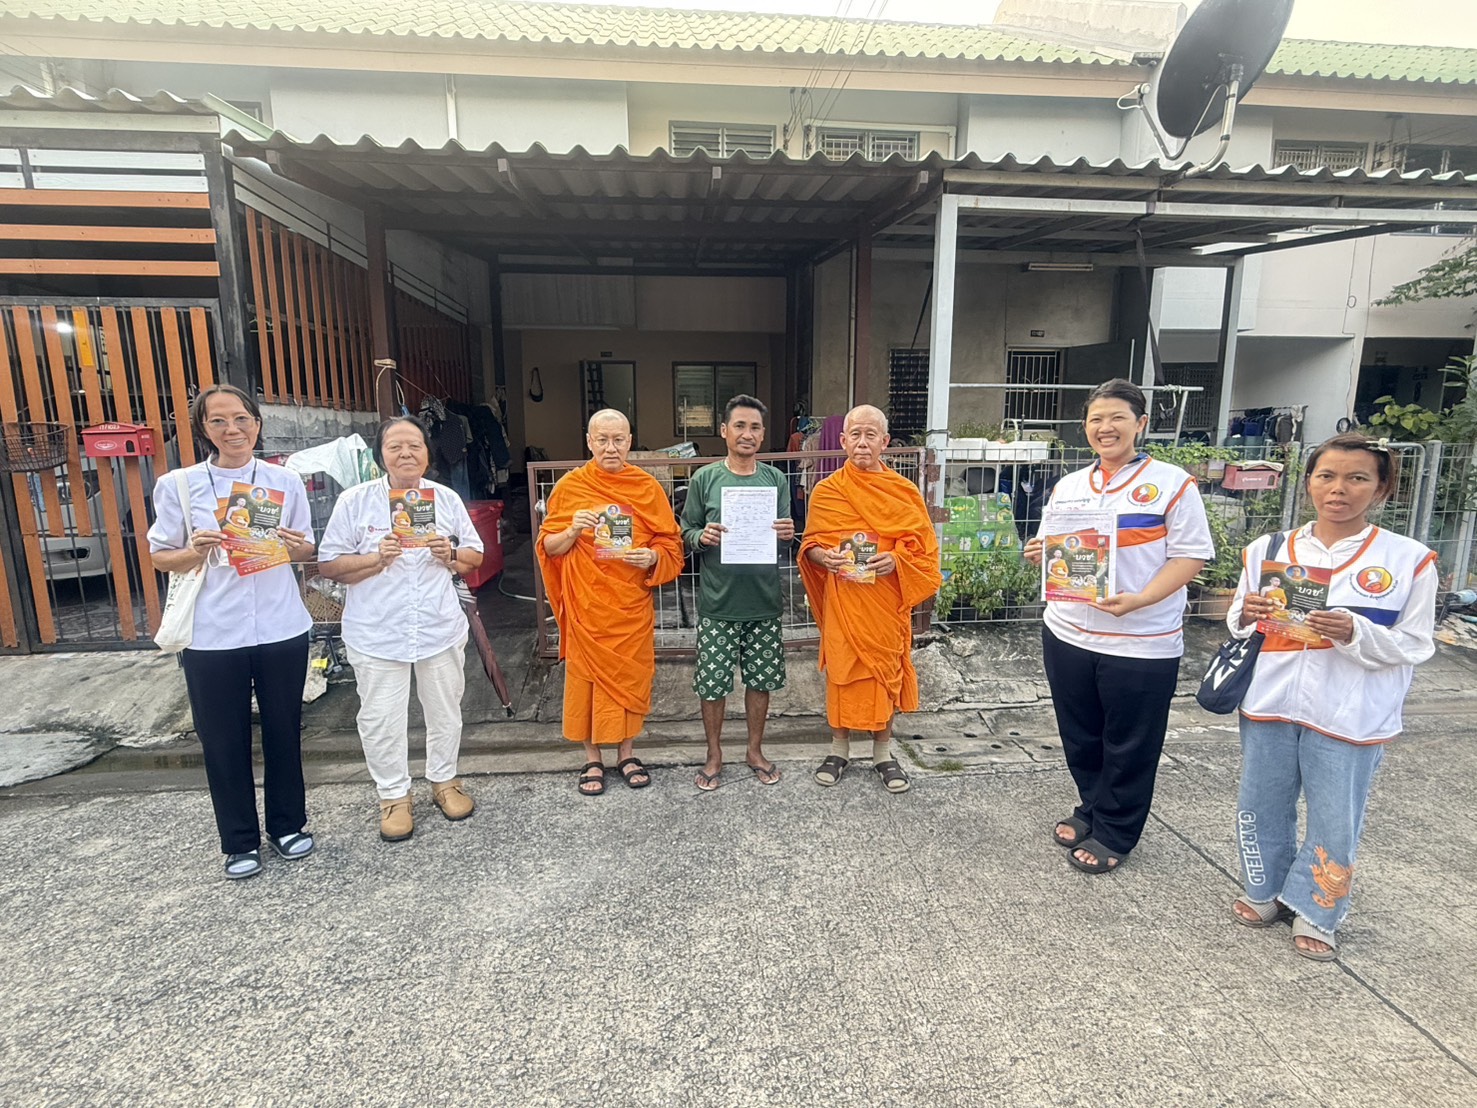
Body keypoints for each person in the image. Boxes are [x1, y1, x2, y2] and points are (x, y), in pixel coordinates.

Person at [1227, 433, 1435, 960]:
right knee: (1261, 804)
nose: (1338, 489)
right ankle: (1265, 890)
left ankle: (1319, 910)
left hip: (1350, 712)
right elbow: (1235, 621)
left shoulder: (1408, 559)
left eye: (1357, 478)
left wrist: (1353, 632)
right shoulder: (1269, 549)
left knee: (1335, 816)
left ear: (1382, 487)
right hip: (1271, 702)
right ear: (1309, 483)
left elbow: (1416, 644)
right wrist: (1247, 614)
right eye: (1326, 476)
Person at [1024, 378, 1213, 874]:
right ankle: (1091, 806)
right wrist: (1039, 554)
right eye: (1096, 420)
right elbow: (1050, 547)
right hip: (1068, 631)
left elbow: (1191, 555)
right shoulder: (1069, 486)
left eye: (1117, 419)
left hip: (1141, 637)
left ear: (1141, 424)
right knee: (1080, 734)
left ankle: (1116, 830)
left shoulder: (1173, 483)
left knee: (1129, 740)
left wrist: (1142, 599)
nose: (1105, 428)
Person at [146, 384, 318, 880]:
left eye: (241, 419)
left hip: (281, 625)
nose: (232, 430)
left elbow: (306, 549)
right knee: (222, 739)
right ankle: (239, 840)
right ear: (203, 429)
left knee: (285, 730)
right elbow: (161, 555)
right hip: (212, 634)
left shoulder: (283, 481)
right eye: (218, 421)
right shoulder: (178, 485)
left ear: (257, 423)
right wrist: (196, 549)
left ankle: (288, 825)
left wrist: (292, 546)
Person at [318, 417, 484, 842]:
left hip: (437, 626)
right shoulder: (354, 502)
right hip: (377, 631)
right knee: (380, 717)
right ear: (381, 455)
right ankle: (393, 795)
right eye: (395, 446)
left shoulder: (445, 499)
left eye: (414, 445)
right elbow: (330, 564)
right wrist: (375, 558)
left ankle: (444, 781)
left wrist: (450, 552)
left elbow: (475, 557)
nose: (406, 453)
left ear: (428, 454)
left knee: (445, 708)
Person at [536, 409, 684, 795]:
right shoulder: (571, 487)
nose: (611, 448)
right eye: (602, 440)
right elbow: (548, 547)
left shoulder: (647, 487)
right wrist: (572, 529)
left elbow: (670, 543)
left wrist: (652, 557)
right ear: (588, 442)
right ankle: (592, 758)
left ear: (630, 441)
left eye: (618, 439)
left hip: (629, 603)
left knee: (630, 680)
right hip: (587, 605)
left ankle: (627, 752)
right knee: (587, 683)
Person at [798, 404, 941, 794]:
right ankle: (838, 748)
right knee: (842, 673)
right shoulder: (827, 491)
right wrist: (820, 556)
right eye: (855, 435)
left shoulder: (903, 491)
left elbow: (924, 554)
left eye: (870, 434)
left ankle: (882, 751)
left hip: (884, 601)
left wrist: (895, 560)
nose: (862, 442)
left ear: (885, 442)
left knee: (885, 672)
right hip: (844, 599)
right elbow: (810, 544)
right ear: (843, 441)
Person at [680, 395, 795, 791]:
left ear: (763, 435)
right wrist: (701, 536)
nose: (748, 434)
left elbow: (783, 539)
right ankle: (714, 753)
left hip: (763, 600)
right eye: (740, 426)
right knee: (712, 683)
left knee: (761, 681)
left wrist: (786, 535)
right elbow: (685, 531)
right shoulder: (705, 479)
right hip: (718, 602)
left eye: (756, 427)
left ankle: (754, 749)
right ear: (725, 431)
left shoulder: (775, 480)